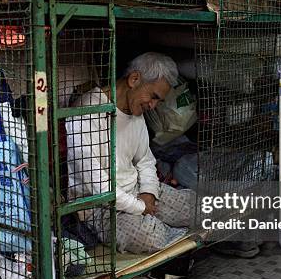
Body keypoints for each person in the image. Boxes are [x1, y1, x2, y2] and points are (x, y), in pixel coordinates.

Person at [65, 52, 197, 253]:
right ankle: (168, 232)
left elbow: (145, 160)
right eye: (153, 97)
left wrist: (148, 192)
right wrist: (140, 208)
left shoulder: (135, 111)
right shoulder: (86, 111)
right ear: (134, 79)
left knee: (196, 205)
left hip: (136, 193)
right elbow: (98, 185)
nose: (153, 106)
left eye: (158, 101)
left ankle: (168, 230)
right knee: (149, 237)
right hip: (100, 206)